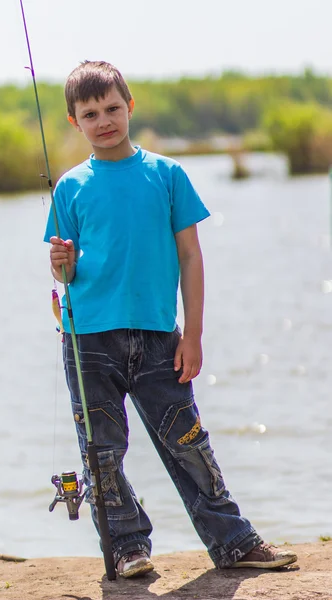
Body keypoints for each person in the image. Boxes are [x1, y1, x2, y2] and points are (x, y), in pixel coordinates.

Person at [44, 60, 297, 578]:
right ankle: (126, 546)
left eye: (112, 108)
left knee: (189, 444)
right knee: (102, 454)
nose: (104, 120)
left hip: (161, 337)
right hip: (87, 339)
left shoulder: (167, 174)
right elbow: (66, 276)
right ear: (75, 121)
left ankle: (234, 542)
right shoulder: (69, 187)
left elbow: (190, 257)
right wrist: (62, 265)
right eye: (90, 113)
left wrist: (194, 335)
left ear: (129, 106)